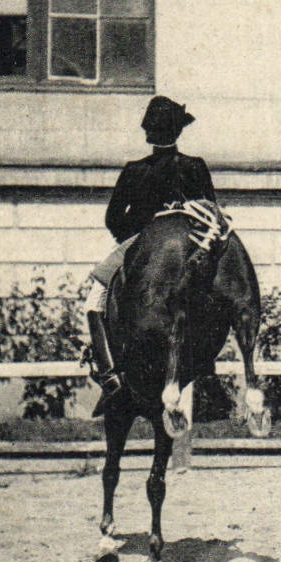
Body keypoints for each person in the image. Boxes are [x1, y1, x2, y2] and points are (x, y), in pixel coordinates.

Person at [84, 96, 216, 411]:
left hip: (139, 243)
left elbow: (113, 218)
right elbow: (211, 211)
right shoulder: (194, 166)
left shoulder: (135, 170)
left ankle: (109, 375)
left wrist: (139, 240)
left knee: (95, 299)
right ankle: (208, 369)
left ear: (149, 133)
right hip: (190, 249)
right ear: (178, 132)